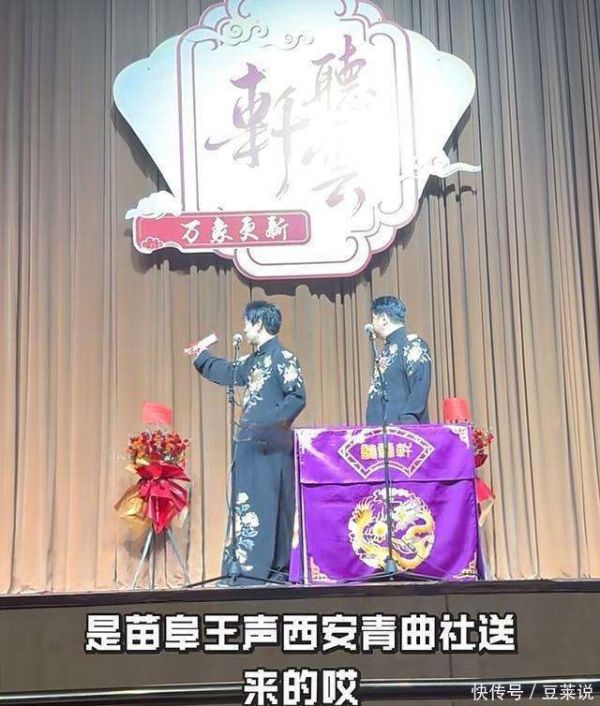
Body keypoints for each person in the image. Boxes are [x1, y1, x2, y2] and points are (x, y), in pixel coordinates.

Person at [186, 301, 305, 584]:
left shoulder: (283, 357)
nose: (244, 328)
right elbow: (230, 372)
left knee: (270, 505)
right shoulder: (254, 360)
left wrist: (269, 426)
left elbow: (297, 397)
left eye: (247, 322)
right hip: (249, 444)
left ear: (259, 323)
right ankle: (244, 568)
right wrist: (202, 357)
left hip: (271, 446)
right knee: (246, 504)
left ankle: (271, 570)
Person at [365, 295, 431, 425]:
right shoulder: (387, 349)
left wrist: (408, 417)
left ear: (384, 319)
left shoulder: (412, 344)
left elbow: (420, 383)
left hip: (402, 431)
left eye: (374, 318)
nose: (372, 324)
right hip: (379, 431)